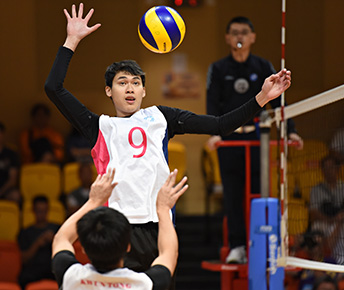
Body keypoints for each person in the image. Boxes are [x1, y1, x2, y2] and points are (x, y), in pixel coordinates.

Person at [45, 3, 292, 278]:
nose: (130, 88)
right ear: (108, 90)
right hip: (116, 226)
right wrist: (72, 40)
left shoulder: (161, 117)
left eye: (136, 82)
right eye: (122, 82)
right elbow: (53, 88)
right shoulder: (100, 126)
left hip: (158, 224)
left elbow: (222, 124)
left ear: (144, 90)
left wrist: (262, 98)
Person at [206, 16, 303, 263]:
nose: (239, 37)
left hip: (258, 142)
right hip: (230, 141)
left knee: (260, 194)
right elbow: (212, 103)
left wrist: (290, 129)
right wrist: (214, 133)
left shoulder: (262, 66)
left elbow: (279, 98)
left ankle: (259, 243)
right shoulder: (218, 69)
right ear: (228, 38)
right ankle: (237, 246)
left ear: (252, 37)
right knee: (232, 195)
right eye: (234, 33)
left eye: (244, 32)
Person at [52, 168, 188, 290]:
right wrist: (163, 209)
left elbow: (62, 238)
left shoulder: (71, 278)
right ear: (128, 247)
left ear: (83, 249)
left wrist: (93, 201)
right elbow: (169, 254)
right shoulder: (143, 285)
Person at [18, 195, 60, 289]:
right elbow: (24, 259)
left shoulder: (56, 229)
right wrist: (37, 243)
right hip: (33, 272)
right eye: (39, 211)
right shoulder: (25, 232)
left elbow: (65, 253)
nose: (42, 214)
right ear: (33, 210)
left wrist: (55, 240)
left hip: (52, 270)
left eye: (44, 211)